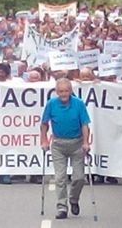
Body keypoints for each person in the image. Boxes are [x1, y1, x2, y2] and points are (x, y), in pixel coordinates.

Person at [40, 78, 91, 219]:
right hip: (58, 144)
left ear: (70, 91)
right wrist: (43, 140)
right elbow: (44, 124)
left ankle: (74, 199)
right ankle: (62, 207)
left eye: (66, 91)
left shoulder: (79, 104)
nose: (63, 94)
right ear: (57, 92)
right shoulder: (51, 104)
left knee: (79, 177)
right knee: (60, 178)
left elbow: (85, 124)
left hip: (77, 143)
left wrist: (86, 142)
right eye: (61, 91)